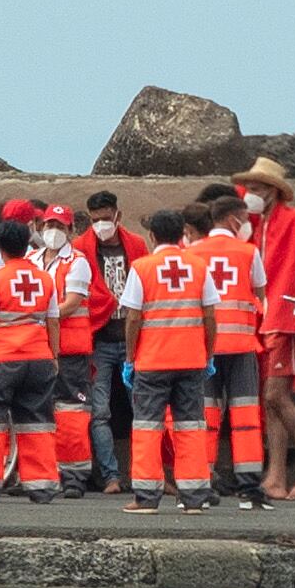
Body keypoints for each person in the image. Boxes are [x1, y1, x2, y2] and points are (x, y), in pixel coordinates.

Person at [235, 157, 295, 501]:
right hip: (267, 319)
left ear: (273, 191)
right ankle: (274, 476)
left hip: (285, 321)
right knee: (271, 402)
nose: (249, 194)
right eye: (249, 188)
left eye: (256, 189)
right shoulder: (258, 224)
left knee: (276, 396)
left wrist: (287, 314)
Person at [118, 209, 214, 514]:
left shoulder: (142, 267)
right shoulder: (199, 266)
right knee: (190, 428)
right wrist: (208, 354)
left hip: (152, 361)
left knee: (147, 428)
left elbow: (133, 317)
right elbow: (210, 316)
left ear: (152, 236)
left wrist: (130, 359)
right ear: (182, 234)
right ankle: (194, 498)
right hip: (191, 361)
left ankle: (146, 498)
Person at [0, 216, 65, 503]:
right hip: (39, 359)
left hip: (0, 360)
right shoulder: (45, 279)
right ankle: (42, 485)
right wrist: (54, 355)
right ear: (26, 245)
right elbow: (53, 321)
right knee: (37, 421)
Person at [195, 196, 276, 507]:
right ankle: (250, 488)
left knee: (203, 418)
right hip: (242, 346)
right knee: (245, 419)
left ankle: (199, 483)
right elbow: (261, 298)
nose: (247, 226)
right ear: (233, 220)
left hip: (204, 349)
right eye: (244, 220)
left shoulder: (194, 253)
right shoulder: (247, 252)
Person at [77, 193, 145, 492]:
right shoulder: (80, 249)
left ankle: (145, 473)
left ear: (118, 215)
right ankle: (111, 476)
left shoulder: (137, 246)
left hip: (133, 340)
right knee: (99, 411)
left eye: (106, 218)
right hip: (99, 342)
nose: (101, 225)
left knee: (143, 410)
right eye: (95, 220)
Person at [33, 206, 100, 495]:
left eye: (60, 226)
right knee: (38, 412)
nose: (53, 231)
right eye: (49, 224)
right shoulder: (32, 259)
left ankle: (73, 477)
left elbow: (72, 302)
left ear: (71, 231)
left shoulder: (78, 261)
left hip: (70, 349)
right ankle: (43, 473)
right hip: (36, 347)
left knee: (71, 412)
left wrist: (39, 317)